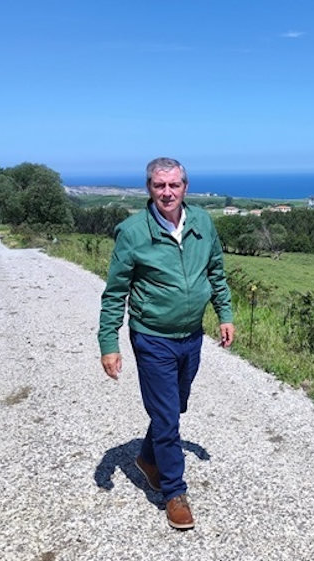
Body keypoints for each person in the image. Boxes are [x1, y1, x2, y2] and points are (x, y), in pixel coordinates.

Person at [98, 157, 234, 530]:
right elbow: (115, 294)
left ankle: (147, 458)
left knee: (175, 407)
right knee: (167, 418)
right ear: (149, 189)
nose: (167, 192)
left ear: (185, 187)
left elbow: (216, 271)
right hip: (153, 337)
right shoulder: (133, 232)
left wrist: (225, 314)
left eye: (174, 185)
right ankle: (173, 492)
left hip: (191, 335)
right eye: (160, 186)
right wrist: (109, 342)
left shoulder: (203, 223)